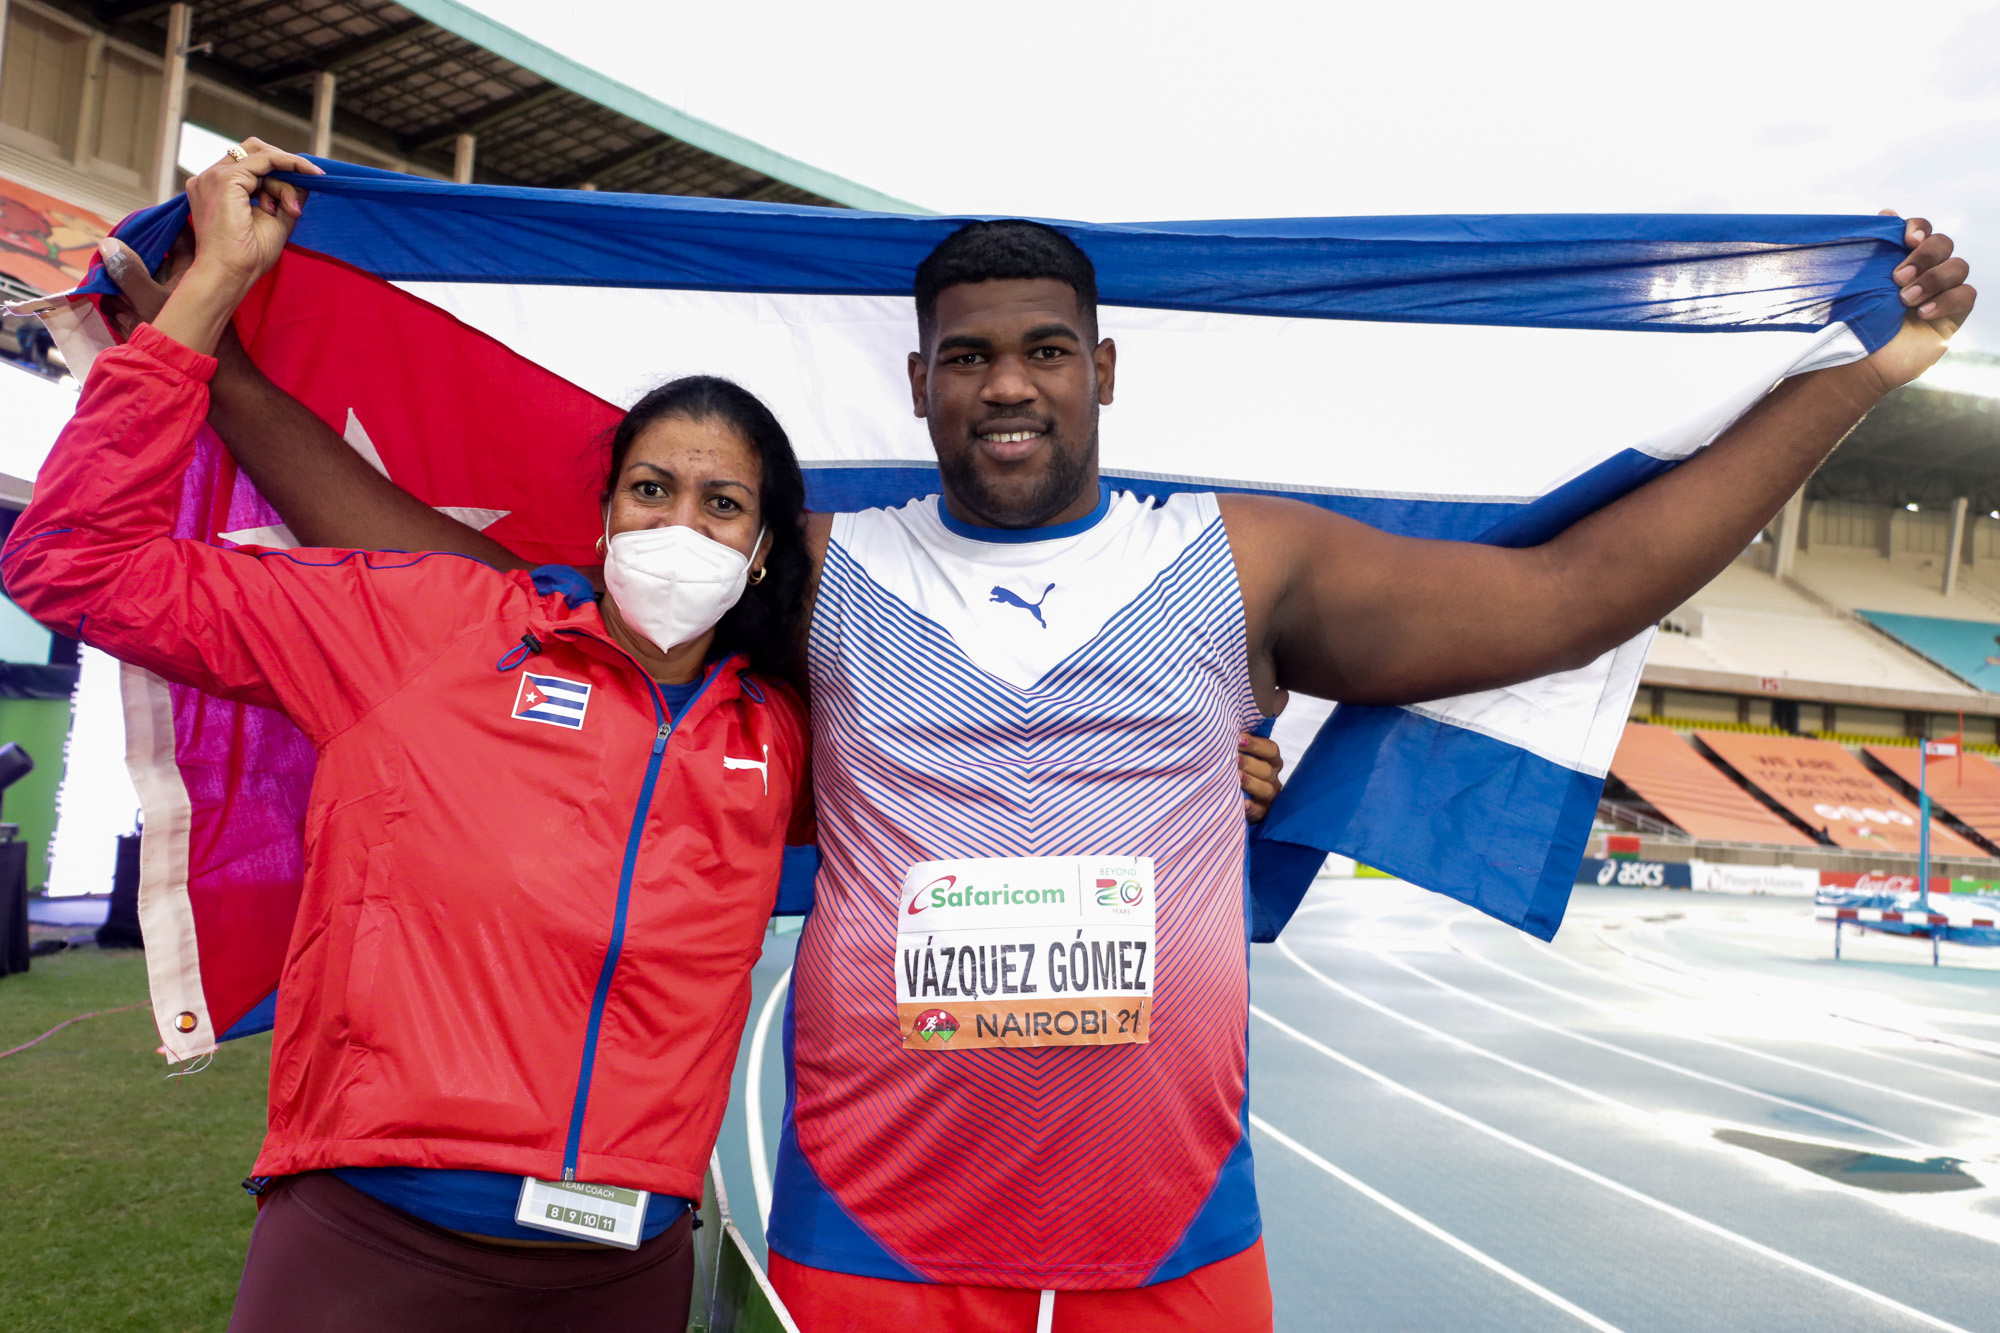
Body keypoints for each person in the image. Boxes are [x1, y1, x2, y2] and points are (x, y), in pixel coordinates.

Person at [104, 148, 1974, 1332]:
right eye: (973, 355)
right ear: (922, 381)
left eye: (1045, 349)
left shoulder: (1239, 558)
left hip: (1173, 1229)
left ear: (1102, 368)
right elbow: (456, 582)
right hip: (873, 1229)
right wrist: (217, 353)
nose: (1011, 383)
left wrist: (1849, 382)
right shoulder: (818, 573)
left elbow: (1563, 597)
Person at [2, 143, 818, 1331]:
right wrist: (207, 294)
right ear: (603, 517)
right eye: (651, 489)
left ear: (763, 550)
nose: (678, 524)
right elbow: (75, 565)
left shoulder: (780, 736)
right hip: (370, 1247)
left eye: (722, 503)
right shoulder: (431, 628)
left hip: (623, 1273)